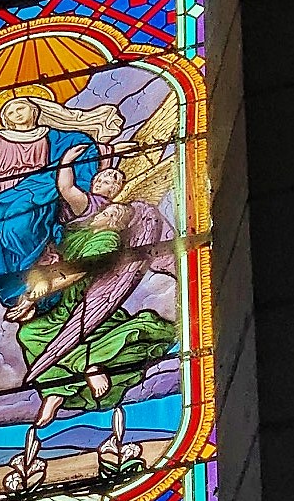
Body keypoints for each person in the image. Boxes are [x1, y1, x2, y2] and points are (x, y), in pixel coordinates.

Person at [14, 149, 177, 427]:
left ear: (113, 219)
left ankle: (87, 366)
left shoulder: (107, 240)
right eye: (100, 179)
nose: (102, 212)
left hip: (85, 301)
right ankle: (55, 391)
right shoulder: (81, 227)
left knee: (57, 334)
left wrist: (46, 288)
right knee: (29, 333)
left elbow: (82, 270)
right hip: (64, 299)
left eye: (109, 212)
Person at [0, 85, 123, 306]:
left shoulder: (53, 136)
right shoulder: (0, 138)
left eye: (20, 108)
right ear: (6, 120)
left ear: (34, 110)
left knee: (21, 230)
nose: (16, 114)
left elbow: (81, 147)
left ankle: (30, 279)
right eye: (10, 112)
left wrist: (101, 150)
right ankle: (9, 282)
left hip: (39, 193)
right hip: (1, 192)